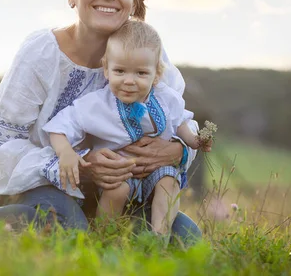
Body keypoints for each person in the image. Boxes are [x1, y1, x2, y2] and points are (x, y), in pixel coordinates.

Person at [0, 0, 201, 242]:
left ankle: (107, 234)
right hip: (37, 187)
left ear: (135, 2)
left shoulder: (147, 52)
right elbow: (2, 148)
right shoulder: (41, 53)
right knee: (70, 231)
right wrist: (79, 167)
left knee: (185, 237)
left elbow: (179, 119)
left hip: (120, 191)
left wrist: (176, 148)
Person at [43, 20, 213, 235]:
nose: (129, 81)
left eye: (141, 73)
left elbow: (180, 122)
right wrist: (65, 152)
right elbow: (59, 127)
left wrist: (194, 141)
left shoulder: (165, 97)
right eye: (120, 71)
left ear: (157, 74)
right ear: (106, 69)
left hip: (155, 171)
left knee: (168, 182)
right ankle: (105, 235)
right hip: (117, 173)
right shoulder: (96, 104)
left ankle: (160, 235)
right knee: (117, 189)